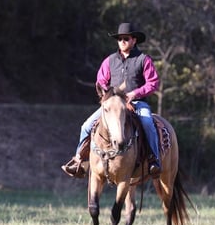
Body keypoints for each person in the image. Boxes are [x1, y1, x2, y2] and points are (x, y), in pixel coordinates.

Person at [62, 22, 162, 179]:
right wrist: (107, 95)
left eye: (126, 38)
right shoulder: (110, 60)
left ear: (134, 40)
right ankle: (78, 161)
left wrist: (135, 93)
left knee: (148, 123)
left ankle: (153, 160)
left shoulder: (144, 60)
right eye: (120, 39)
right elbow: (101, 80)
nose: (122, 41)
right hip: (113, 105)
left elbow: (153, 83)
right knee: (86, 126)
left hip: (137, 102)